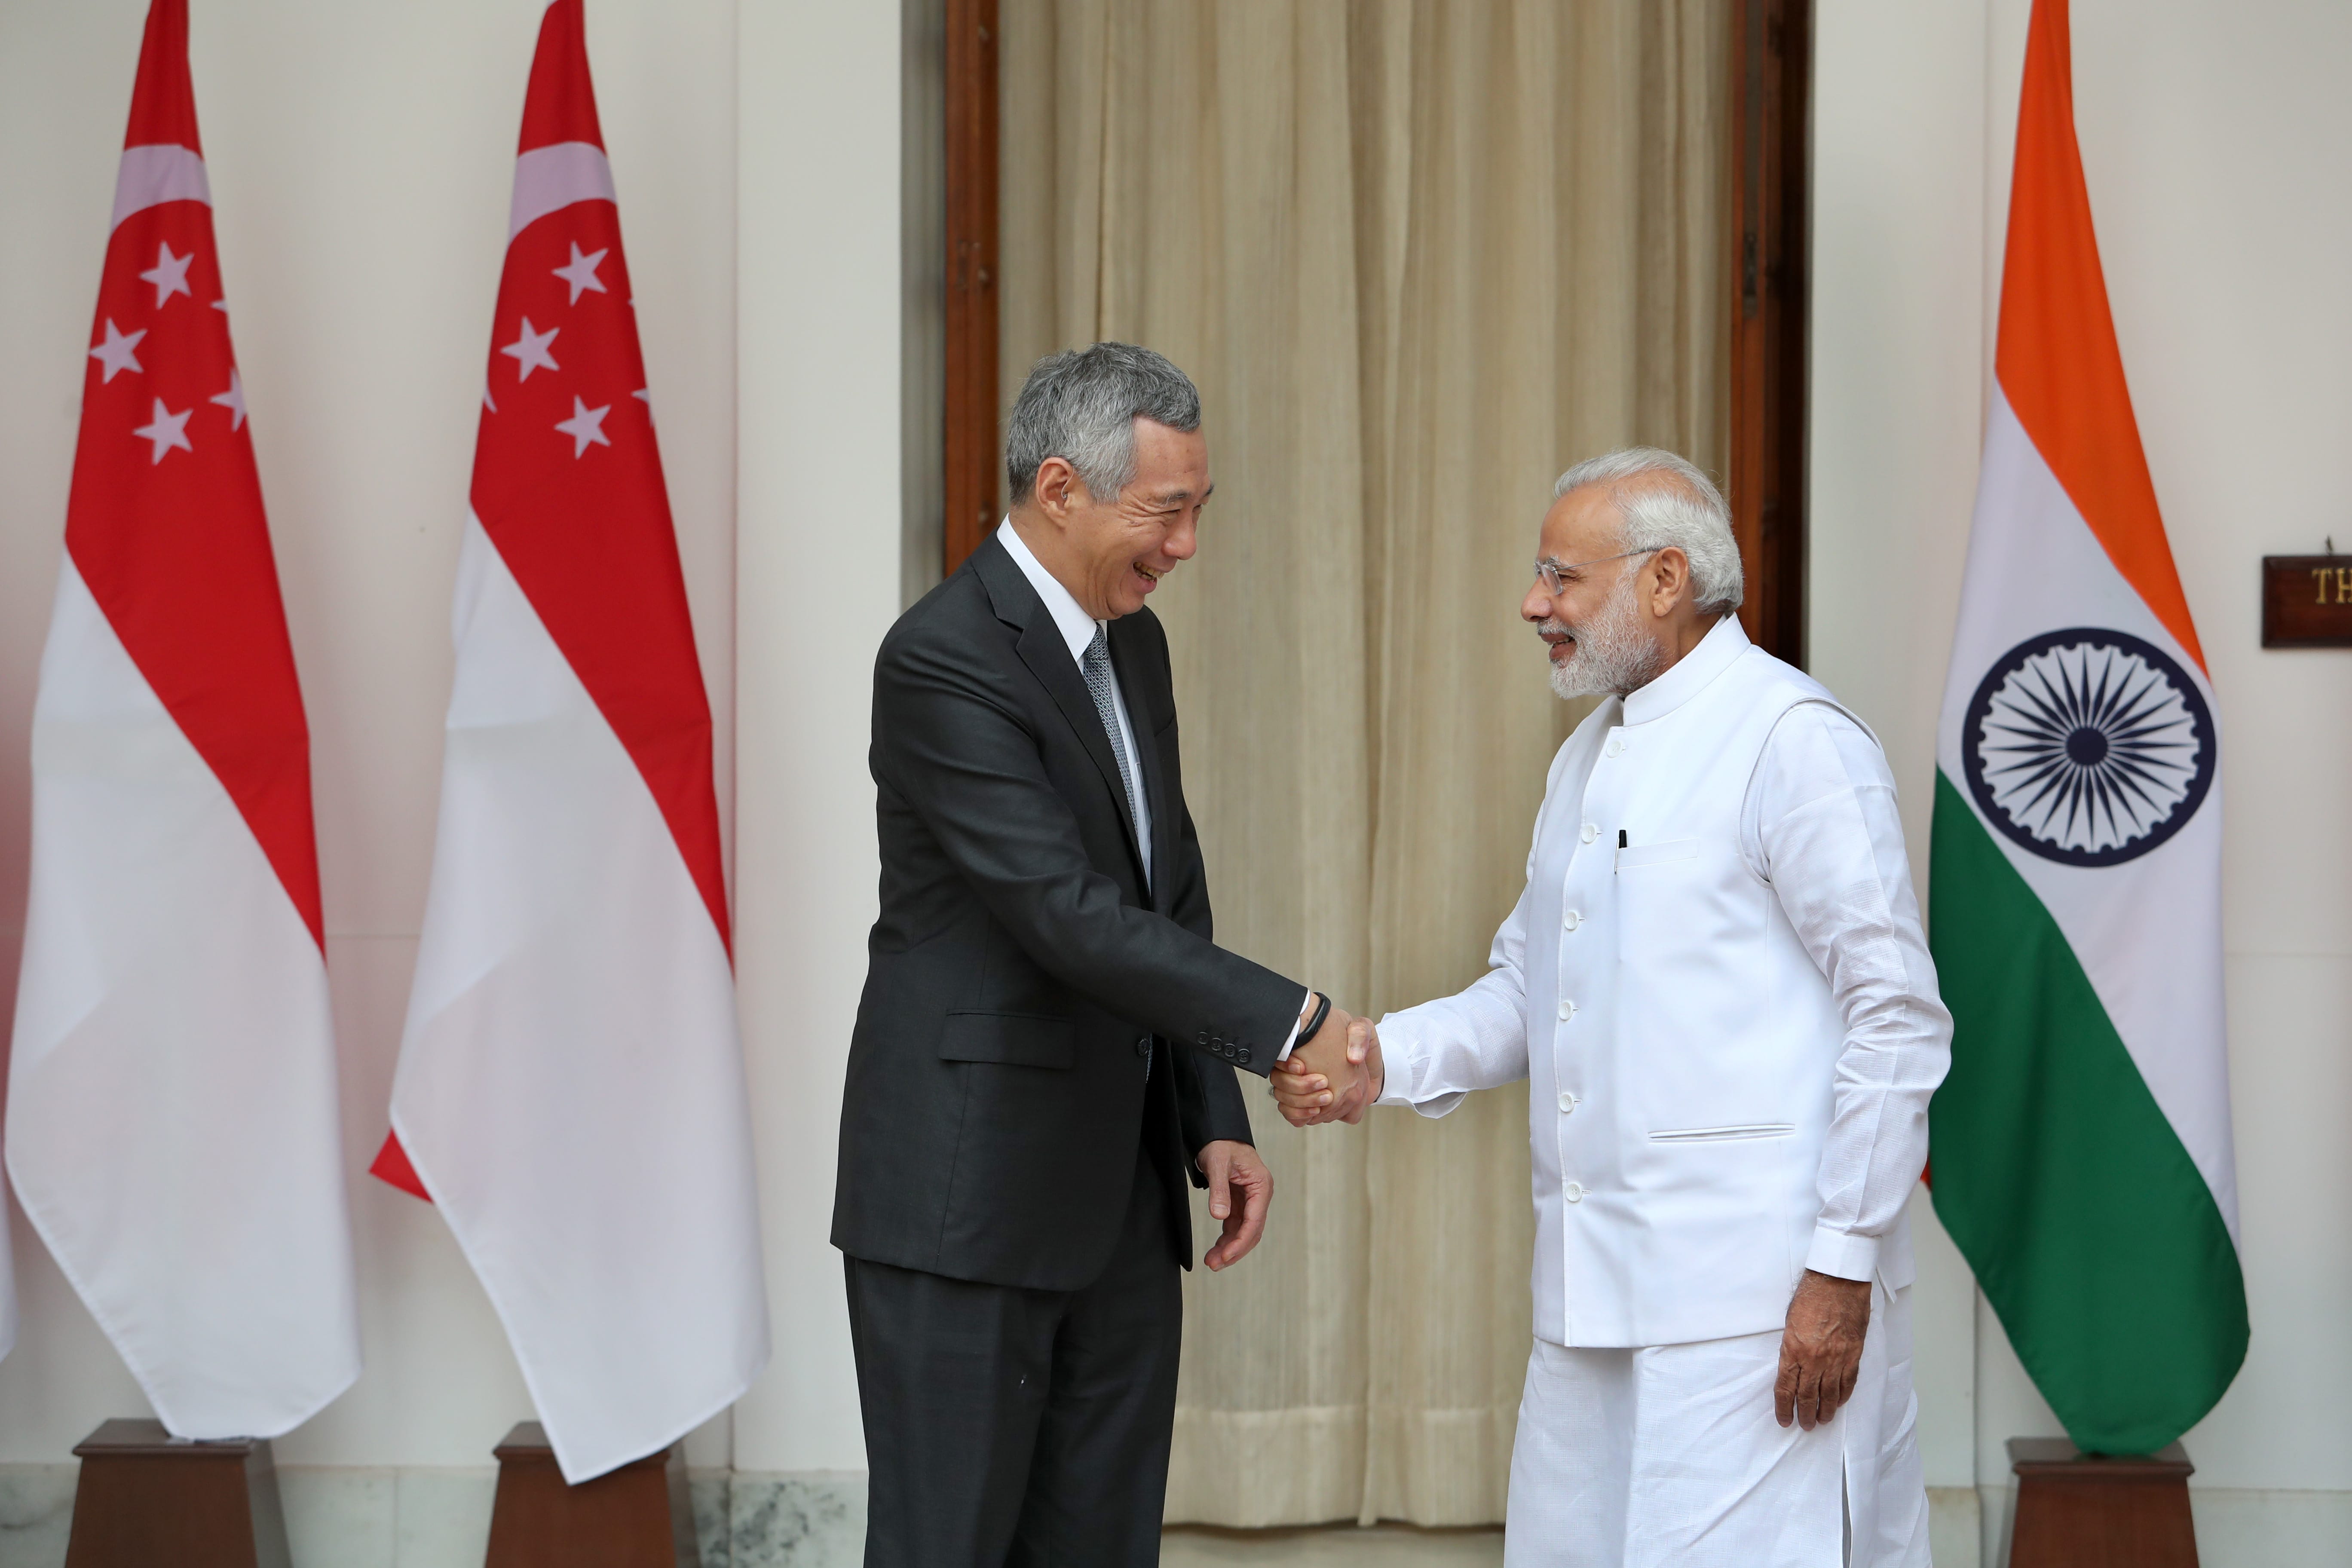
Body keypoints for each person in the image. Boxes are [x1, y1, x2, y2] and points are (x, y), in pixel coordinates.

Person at [1277, 448, 1950, 1567]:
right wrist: (1379, 1057)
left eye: (1561, 576)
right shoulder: (1592, 752)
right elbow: (1530, 990)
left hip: (1757, 1312)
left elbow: (1897, 1016)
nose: (1534, 604)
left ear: (1665, 580)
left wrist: (1841, 1267)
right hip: (1588, 1306)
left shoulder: (1793, 740)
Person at [834, 342, 1367, 1568]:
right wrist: (1297, 1023)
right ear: (1062, 489)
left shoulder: (1134, 644)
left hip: (1119, 1211)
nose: (1185, 545)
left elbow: (1163, 889)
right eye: (1165, 512)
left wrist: (1208, 1111)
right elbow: (1066, 913)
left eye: (1198, 511)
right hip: (964, 1205)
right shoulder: (942, 659)